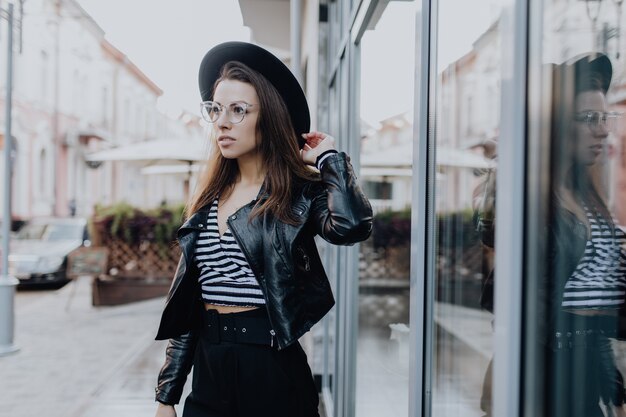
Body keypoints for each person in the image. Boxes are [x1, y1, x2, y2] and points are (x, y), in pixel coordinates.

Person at [153, 41, 373, 417]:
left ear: (268, 117)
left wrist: (329, 160)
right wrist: (167, 394)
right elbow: (188, 307)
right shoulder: (207, 199)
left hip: (273, 371)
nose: (222, 121)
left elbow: (350, 226)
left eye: (238, 110)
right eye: (216, 109)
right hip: (209, 373)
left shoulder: (299, 192)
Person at [541, 53, 626, 417]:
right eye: (589, 119)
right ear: (556, 124)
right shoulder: (531, 201)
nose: (604, 130)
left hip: (591, 360)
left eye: (605, 117)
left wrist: (613, 386)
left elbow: (594, 310)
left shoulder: (588, 195)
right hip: (549, 368)